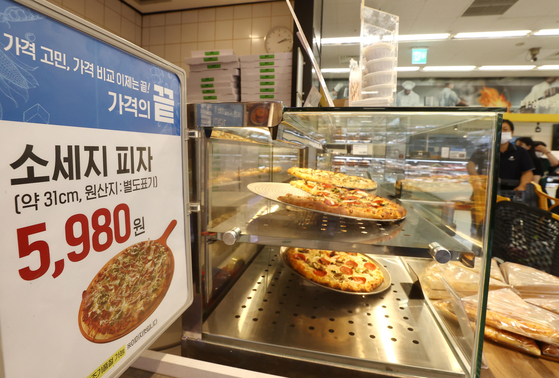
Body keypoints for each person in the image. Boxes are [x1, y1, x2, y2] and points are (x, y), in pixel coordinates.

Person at [468, 120, 534, 191]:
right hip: (485, 190)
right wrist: (476, 178)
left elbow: (527, 172)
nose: (501, 132)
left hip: (512, 191)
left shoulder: (520, 151)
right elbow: (471, 164)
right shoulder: (484, 149)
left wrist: (522, 186)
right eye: (498, 130)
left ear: (512, 133)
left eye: (505, 129)